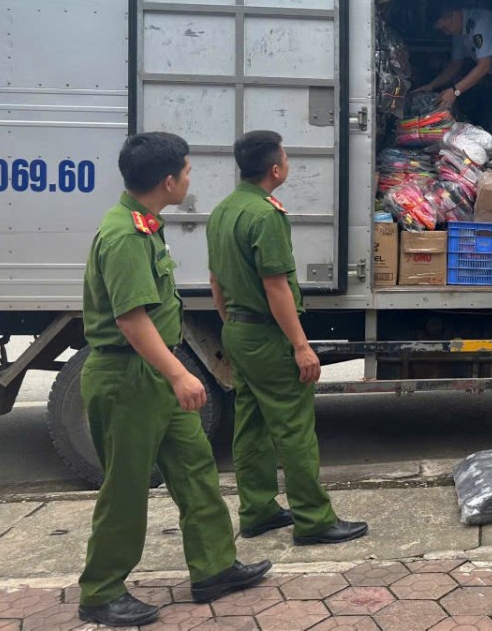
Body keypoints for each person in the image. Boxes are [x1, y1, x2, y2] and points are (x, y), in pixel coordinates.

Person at [78, 132, 270, 628]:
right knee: (125, 488)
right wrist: (181, 372)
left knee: (196, 470)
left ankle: (215, 568)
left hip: (152, 375)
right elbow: (132, 320)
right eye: (186, 171)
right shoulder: (124, 236)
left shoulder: (144, 224)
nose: (190, 178)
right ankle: (100, 592)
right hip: (128, 377)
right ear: (168, 181)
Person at [207, 131, 368, 546]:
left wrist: (231, 323)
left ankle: (257, 510)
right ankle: (313, 519)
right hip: (267, 334)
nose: (288, 163)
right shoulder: (265, 215)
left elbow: (216, 280)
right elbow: (276, 286)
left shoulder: (224, 210)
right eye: (286, 157)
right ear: (275, 169)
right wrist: (300, 345)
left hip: (239, 331)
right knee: (294, 428)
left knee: (252, 422)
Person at [414, 7, 492, 167]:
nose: (445, 33)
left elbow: (484, 66)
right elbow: (455, 65)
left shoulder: (480, 23)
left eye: (445, 27)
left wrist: (455, 91)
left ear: (453, 15)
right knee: (481, 97)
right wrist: (431, 86)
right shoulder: (459, 32)